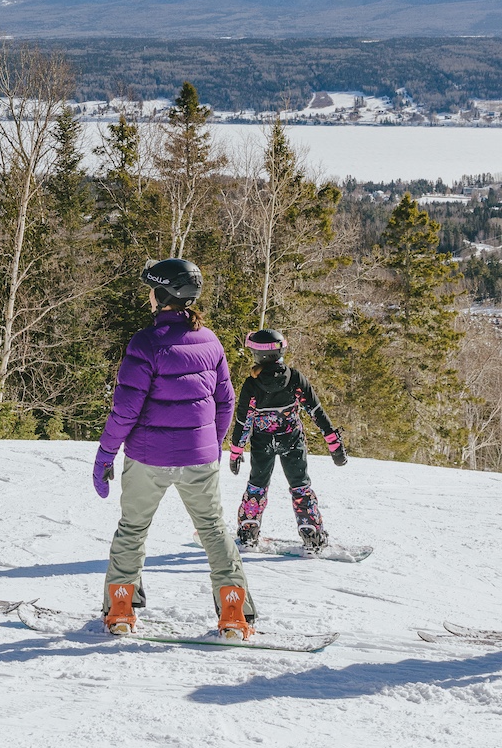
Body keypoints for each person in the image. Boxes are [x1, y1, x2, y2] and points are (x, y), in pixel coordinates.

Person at [95, 258, 256, 639]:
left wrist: (105, 454)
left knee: (132, 529)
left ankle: (120, 607)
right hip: (198, 458)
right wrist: (211, 445)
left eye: (152, 289)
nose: (148, 296)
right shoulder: (210, 340)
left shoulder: (145, 342)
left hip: (148, 458)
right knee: (214, 531)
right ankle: (233, 612)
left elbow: (125, 408)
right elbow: (226, 402)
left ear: (162, 295)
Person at [228, 329, 347, 553]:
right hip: (292, 440)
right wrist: (334, 444)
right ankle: (312, 534)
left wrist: (236, 452)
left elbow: (244, 422)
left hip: (263, 443)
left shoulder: (251, 385)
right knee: (300, 485)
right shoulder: (295, 377)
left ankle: (248, 531)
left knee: (257, 485)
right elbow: (316, 412)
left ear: (256, 354)